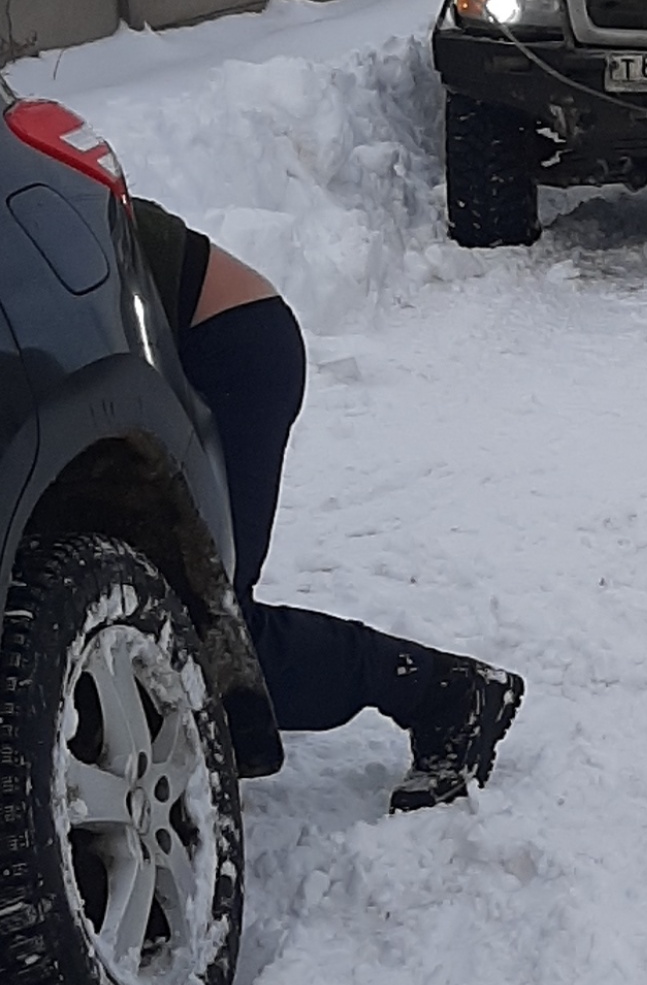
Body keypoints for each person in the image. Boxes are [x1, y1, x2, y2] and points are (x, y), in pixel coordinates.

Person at [132, 199, 524, 813]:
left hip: (230, 346)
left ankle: (446, 694)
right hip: (195, 349)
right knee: (178, 613)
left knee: (206, 620)